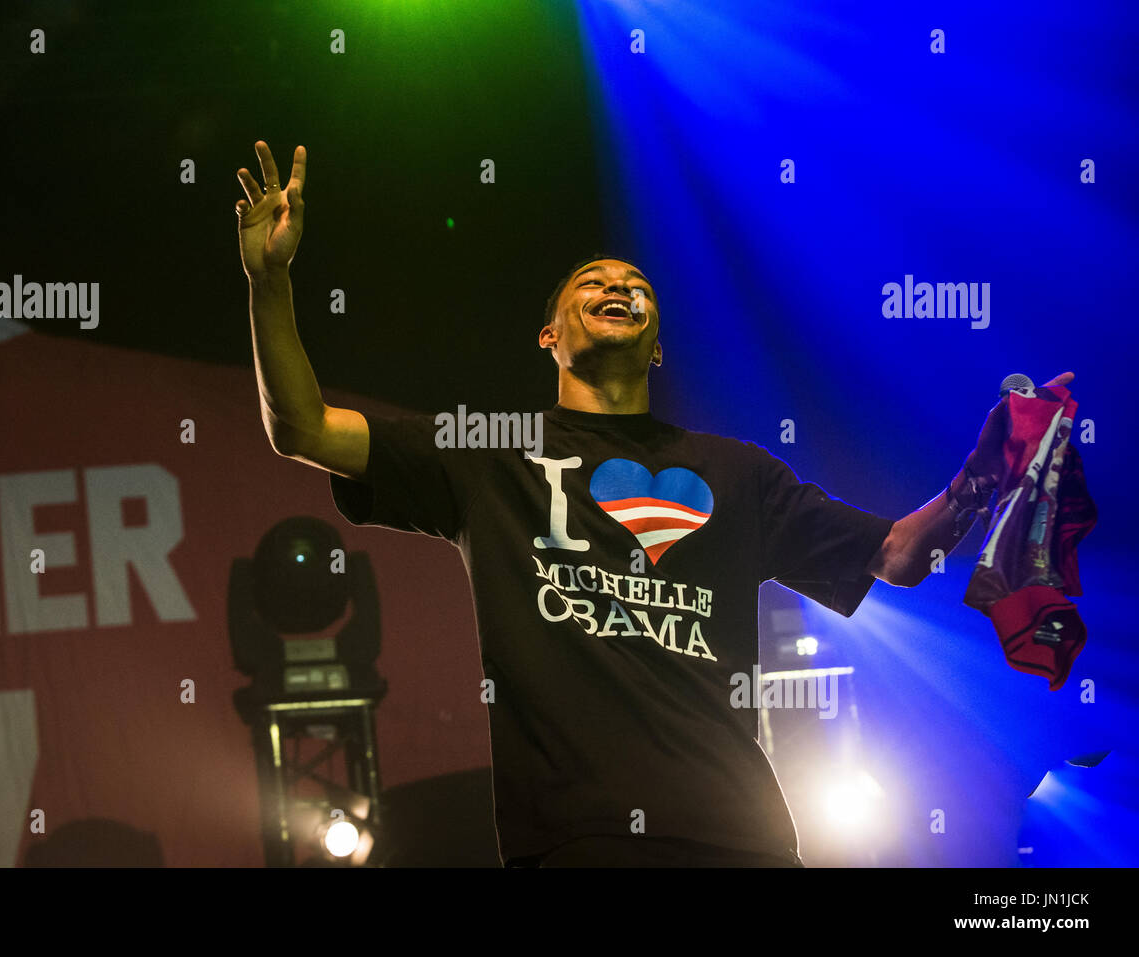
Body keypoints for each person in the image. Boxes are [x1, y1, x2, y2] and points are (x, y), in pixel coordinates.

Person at [235, 141, 1075, 867]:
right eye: (591, 282)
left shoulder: (737, 473)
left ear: (658, 341)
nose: (618, 285)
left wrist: (979, 475)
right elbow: (301, 427)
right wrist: (268, 284)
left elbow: (896, 555)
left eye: (636, 283)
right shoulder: (489, 452)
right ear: (549, 336)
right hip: (578, 841)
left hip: (743, 836)